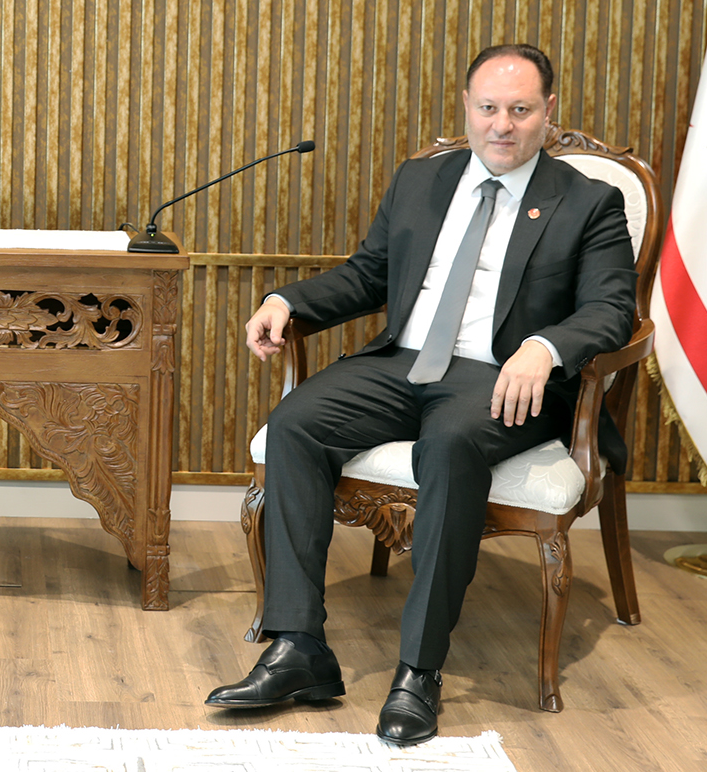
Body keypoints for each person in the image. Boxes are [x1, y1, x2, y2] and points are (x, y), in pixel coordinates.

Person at [205, 44, 636, 744]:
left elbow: (613, 309)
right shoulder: (421, 180)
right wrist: (287, 300)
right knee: (295, 422)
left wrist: (545, 345)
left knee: (449, 443)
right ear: (466, 107)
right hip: (403, 364)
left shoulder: (588, 201)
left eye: (520, 109)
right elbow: (368, 274)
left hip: (502, 379)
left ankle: (419, 669)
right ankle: (298, 649)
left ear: (548, 112)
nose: (502, 124)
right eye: (488, 107)